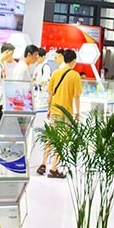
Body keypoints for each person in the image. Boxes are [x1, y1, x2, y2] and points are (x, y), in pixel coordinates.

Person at [42, 48, 83, 178]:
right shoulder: (75, 75)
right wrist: (77, 113)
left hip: (54, 110)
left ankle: (43, 163)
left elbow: (50, 94)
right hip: (66, 113)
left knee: (51, 138)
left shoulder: (56, 73)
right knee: (61, 140)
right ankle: (54, 168)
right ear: (74, 60)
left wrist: (49, 108)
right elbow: (77, 97)